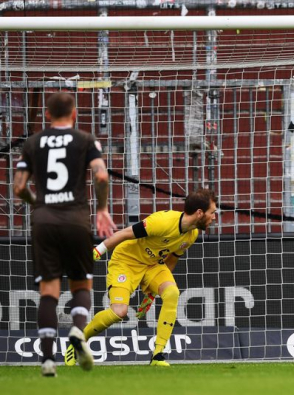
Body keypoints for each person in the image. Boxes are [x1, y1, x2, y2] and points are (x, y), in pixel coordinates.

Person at [13, 92, 116, 377]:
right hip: (76, 220)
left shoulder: (32, 143)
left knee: (48, 291)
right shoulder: (85, 139)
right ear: (74, 115)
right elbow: (102, 175)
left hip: (44, 222)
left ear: (47, 115)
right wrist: (103, 209)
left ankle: (47, 360)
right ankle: (77, 332)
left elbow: (19, 187)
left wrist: (39, 206)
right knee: (81, 285)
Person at [64, 189, 218, 367]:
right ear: (199, 213)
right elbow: (124, 233)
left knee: (172, 293)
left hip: (152, 265)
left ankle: (158, 355)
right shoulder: (162, 222)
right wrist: (97, 252)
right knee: (119, 312)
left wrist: (153, 292)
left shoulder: (192, 235)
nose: (214, 217)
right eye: (212, 212)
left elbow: (172, 259)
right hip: (126, 262)